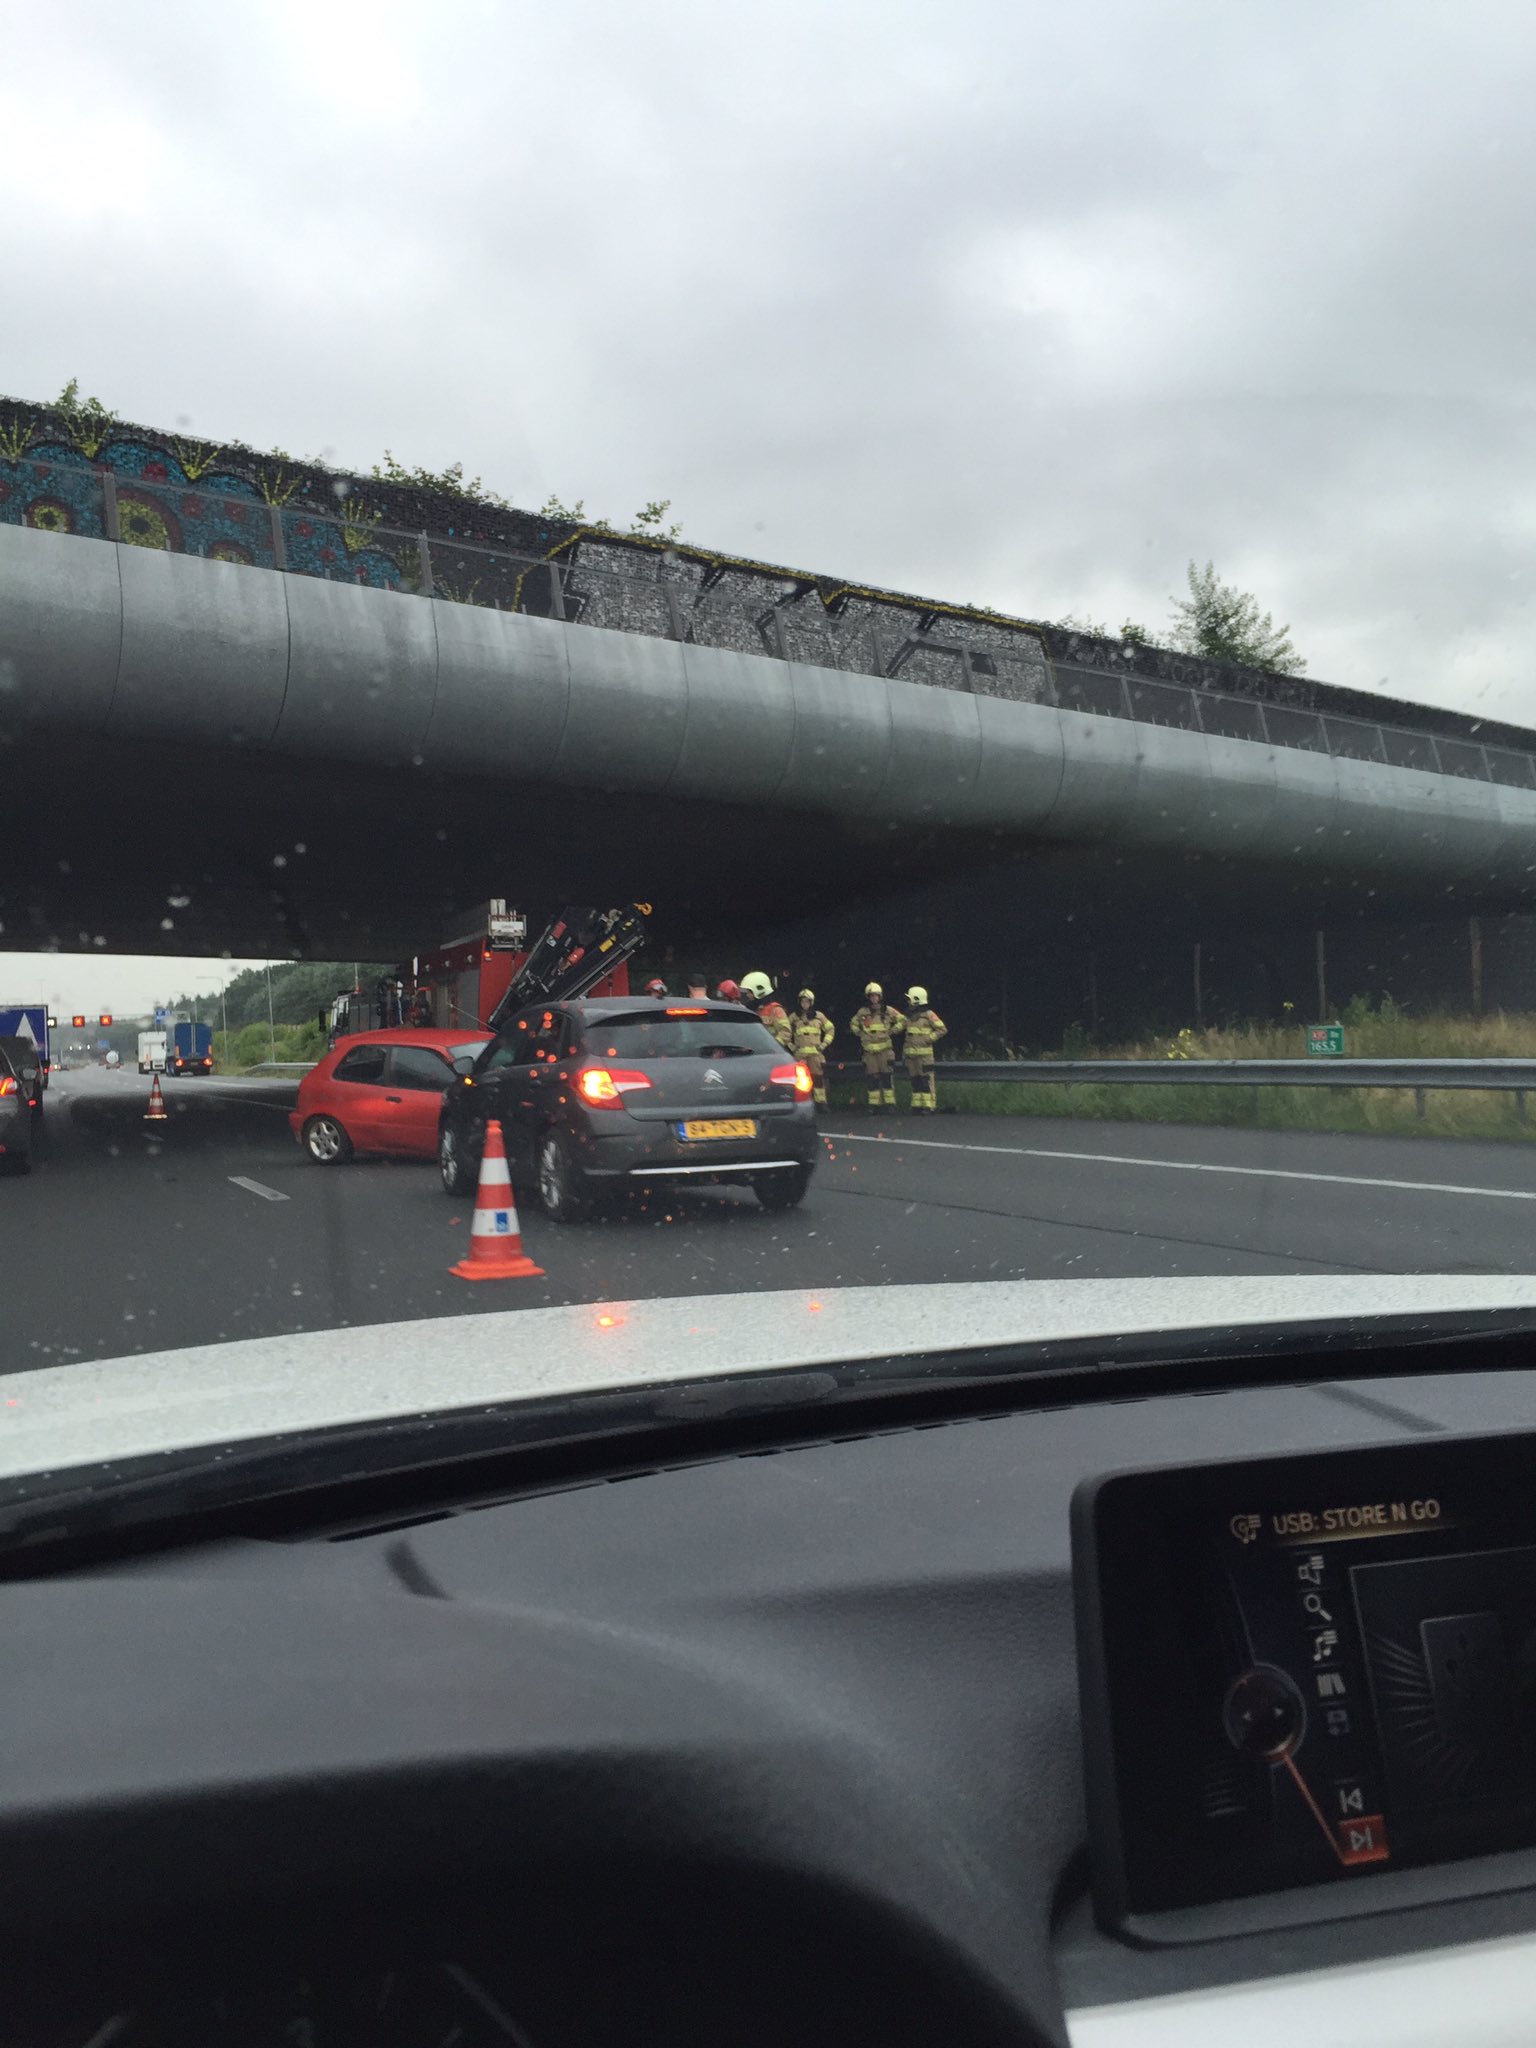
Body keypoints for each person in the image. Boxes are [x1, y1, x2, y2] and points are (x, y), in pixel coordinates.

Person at [849, 982, 905, 1110]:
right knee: (872, 1079)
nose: (874, 998)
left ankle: (890, 1105)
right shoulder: (863, 1012)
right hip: (869, 1053)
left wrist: (894, 1030)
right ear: (868, 997)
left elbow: (902, 1020)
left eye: (876, 996)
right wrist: (859, 1033)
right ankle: (874, 1105)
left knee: (887, 1078)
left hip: (885, 1051)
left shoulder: (887, 1010)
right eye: (871, 996)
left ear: (880, 996)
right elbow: (853, 1023)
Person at [787, 988, 835, 1108]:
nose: (805, 1004)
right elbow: (785, 1032)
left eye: (807, 1001)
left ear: (811, 1002)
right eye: (802, 1001)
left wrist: (824, 1044)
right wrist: (791, 1046)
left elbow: (830, 1029)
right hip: (800, 1055)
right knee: (800, 1080)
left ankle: (821, 1103)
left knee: (818, 1078)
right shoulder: (793, 1017)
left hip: (815, 1055)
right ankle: (802, 1103)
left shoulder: (819, 1016)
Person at [902, 986, 947, 1112]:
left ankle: (929, 1106)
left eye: (910, 999)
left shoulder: (929, 1014)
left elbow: (942, 1029)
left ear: (917, 1000)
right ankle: (917, 1105)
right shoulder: (909, 1016)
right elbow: (906, 1033)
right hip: (912, 1056)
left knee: (926, 1080)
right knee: (915, 1080)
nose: (908, 1001)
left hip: (925, 1056)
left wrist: (928, 1038)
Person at [739, 971, 792, 1047]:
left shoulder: (775, 1010)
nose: (747, 995)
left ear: (758, 991)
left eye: (749, 992)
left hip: (769, 1052)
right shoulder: (748, 1009)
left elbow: (785, 1032)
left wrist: (773, 1046)